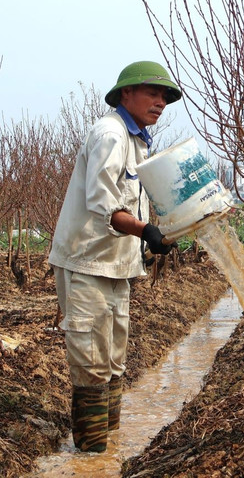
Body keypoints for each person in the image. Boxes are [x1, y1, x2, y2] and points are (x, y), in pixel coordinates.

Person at [48, 60, 180, 453]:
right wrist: (146, 231)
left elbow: (136, 200)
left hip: (117, 265)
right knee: (91, 362)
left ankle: (112, 450)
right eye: (152, 93)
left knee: (115, 360)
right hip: (87, 262)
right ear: (126, 93)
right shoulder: (110, 134)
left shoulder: (138, 141)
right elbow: (102, 204)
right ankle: (91, 455)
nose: (160, 102)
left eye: (165, 97)